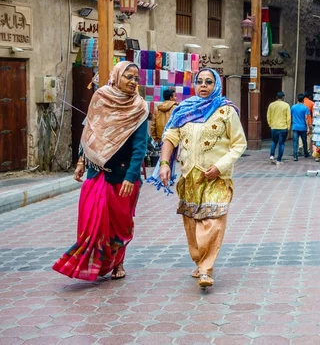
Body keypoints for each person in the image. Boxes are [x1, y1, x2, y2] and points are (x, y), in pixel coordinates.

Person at [53, 61, 148, 281]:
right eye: (129, 77)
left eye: (136, 79)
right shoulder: (100, 98)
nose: (133, 82)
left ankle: (118, 263)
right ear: (116, 76)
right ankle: (93, 264)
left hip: (123, 176)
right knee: (91, 224)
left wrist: (131, 176)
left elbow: (140, 146)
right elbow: (90, 132)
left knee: (120, 225)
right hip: (97, 174)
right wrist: (81, 161)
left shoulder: (139, 107)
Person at [155, 68, 246, 288]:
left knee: (213, 221)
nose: (203, 86)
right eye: (200, 81)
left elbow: (239, 144)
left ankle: (206, 269)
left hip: (216, 177)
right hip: (189, 177)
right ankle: (199, 260)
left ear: (217, 86)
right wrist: (165, 163)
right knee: (192, 223)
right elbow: (170, 136)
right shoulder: (185, 109)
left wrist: (220, 166)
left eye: (209, 82)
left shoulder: (226, 111)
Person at [267, 91, 291, 165]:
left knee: (274, 142)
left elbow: (268, 116)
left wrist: (270, 124)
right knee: (281, 144)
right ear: (283, 97)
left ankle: (272, 155)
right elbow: (288, 117)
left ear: (276, 97)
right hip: (283, 127)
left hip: (274, 127)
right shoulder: (286, 105)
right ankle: (279, 159)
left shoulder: (271, 105)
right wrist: (288, 127)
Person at [290, 94, 310, 161]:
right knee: (304, 141)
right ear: (303, 100)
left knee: (295, 141)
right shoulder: (305, 108)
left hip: (295, 127)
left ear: (297, 99)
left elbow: (291, 116)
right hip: (303, 127)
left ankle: (295, 156)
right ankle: (306, 153)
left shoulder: (293, 107)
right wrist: (308, 127)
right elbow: (306, 118)